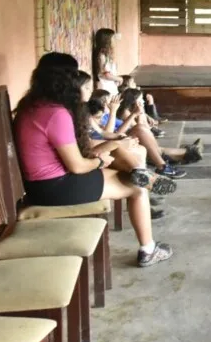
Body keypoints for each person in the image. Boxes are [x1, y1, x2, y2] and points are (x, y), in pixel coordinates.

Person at [14, 54, 173, 267]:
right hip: (56, 188)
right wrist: (100, 162)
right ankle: (148, 249)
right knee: (137, 188)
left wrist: (103, 153)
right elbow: (78, 166)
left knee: (118, 151)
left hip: (42, 184)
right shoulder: (55, 113)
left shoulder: (31, 106)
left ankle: (139, 172)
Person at [118, 88, 203, 178]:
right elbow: (138, 128)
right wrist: (138, 115)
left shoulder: (135, 111)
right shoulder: (126, 113)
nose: (143, 101)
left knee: (158, 149)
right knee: (151, 142)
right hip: (132, 140)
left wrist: (142, 114)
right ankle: (179, 157)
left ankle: (187, 153)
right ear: (134, 101)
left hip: (140, 139)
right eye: (140, 99)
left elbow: (146, 128)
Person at [92, 28, 124, 96]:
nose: (114, 40)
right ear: (107, 40)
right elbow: (106, 74)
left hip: (110, 86)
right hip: (105, 88)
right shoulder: (101, 55)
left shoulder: (106, 55)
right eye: (112, 38)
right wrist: (120, 79)